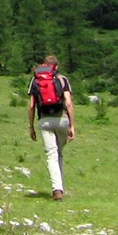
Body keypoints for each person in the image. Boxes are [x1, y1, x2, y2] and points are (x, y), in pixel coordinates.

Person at [26, 53, 76, 201]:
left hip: (45, 120)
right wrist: (72, 125)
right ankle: (60, 187)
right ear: (57, 67)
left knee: (51, 155)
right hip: (62, 119)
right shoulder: (62, 79)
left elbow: (31, 106)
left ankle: (57, 189)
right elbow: (68, 103)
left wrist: (31, 126)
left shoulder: (35, 80)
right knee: (59, 153)